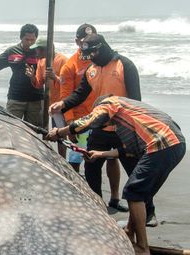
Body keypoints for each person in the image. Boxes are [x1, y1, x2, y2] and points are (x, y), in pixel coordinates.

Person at [46, 95, 185, 255]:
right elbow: (129, 150)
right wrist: (100, 154)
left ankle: (142, 247)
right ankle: (129, 232)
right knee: (141, 193)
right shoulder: (127, 116)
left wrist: (60, 132)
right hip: (175, 144)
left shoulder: (110, 102)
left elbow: (90, 120)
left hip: (162, 143)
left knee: (134, 192)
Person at [50, 34, 140, 214]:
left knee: (135, 173)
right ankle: (97, 206)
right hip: (99, 127)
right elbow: (80, 93)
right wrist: (64, 103)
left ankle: (148, 211)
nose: (91, 57)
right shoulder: (92, 69)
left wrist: (133, 127)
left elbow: (136, 100)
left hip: (123, 128)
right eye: (88, 54)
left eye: (93, 53)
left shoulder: (125, 65)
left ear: (102, 47)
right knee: (91, 166)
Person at [59, 23, 97, 172]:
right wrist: (70, 125)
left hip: (102, 118)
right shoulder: (70, 66)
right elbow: (65, 97)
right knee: (75, 158)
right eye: (84, 41)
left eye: (92, 40)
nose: (88, 44)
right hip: (80, 119)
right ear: (77, 42)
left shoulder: (102, 61)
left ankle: (113, 195)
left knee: (107, 159)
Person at [25, 36, 68, 157]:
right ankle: (62, 160)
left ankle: (73, 162)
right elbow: (38, 84)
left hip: (67, 104)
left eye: (38, 50)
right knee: (58, 134)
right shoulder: (42, 62)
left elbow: (70, 85)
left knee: (72, 135)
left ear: (46, 50)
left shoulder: (64, 61)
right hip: (54, 106)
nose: (36, 52)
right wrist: (32, 77)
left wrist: (55, 78)